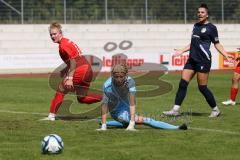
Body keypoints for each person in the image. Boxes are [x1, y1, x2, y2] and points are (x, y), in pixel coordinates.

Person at [162, 4, 233, 118]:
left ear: (207, 14)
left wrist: (225, 54)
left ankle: (215, 110)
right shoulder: (195, 26)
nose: (200, 14)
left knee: (202, 88)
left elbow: (217, 44)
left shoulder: (211, 28)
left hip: (203, 60)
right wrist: (181, 50)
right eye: (198, 12)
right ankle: (175, 110)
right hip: (192, 59)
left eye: (202, 12)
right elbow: (193, 43)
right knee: (182, 84)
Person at [97, 64, 187, 131]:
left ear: (126, 75)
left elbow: (132, 103)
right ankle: (176, 128)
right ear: (112, 75)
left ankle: (116, 123)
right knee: (145, 120)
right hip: (116, 111)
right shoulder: (107, 86)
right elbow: (104, 106)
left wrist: (132, 123)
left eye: (121, 77)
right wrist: (103, 126)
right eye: (116, 77)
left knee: (129, 121)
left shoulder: (130, 82)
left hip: (127, 107)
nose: (119, 79)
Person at [42, 22, 102, 121]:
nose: (52, 36)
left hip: (81, 69)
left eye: (55, 34)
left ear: (60, 33)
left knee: (61, 89)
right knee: (82, 98)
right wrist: (65, 69)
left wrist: (70, 78)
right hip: (88, 69)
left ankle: (51, 116)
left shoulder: (63, 45)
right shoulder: (67, 42)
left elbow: (73, 61)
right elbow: (75, 58)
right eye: (51, 35)